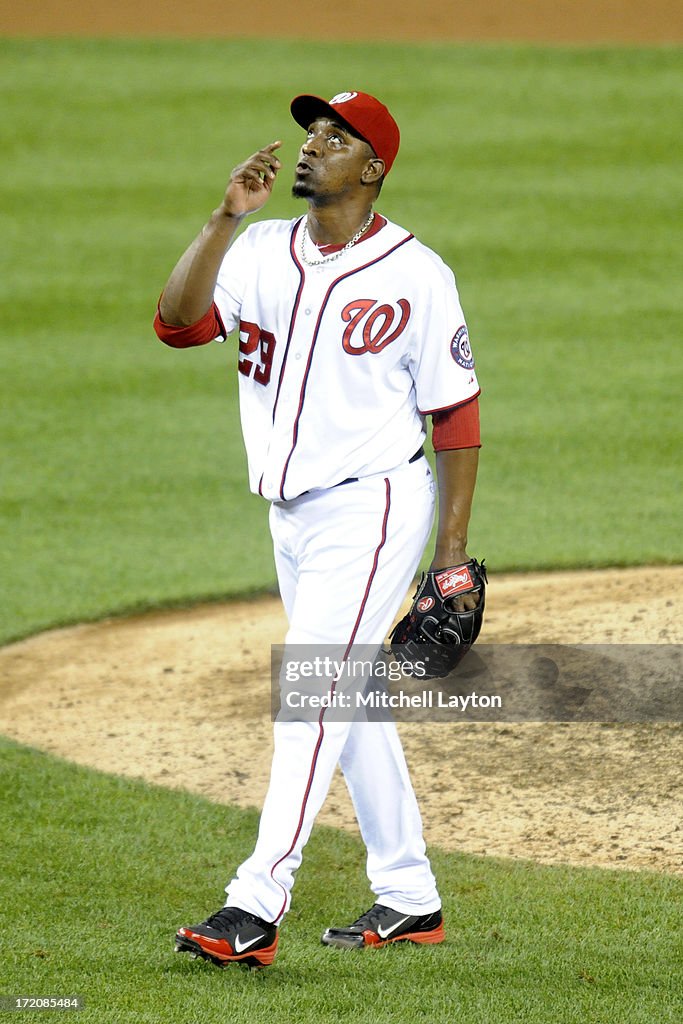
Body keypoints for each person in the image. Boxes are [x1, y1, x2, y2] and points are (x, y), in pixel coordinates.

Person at [154, 90, 481, 969]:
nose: (312, 148)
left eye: (336, 139)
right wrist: (223, 219)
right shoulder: (258, 249)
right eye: (311, 134)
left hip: (373, 506)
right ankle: (409, 895)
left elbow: (454, 415)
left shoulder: (417, 273)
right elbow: (177, 324)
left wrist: (447, 557)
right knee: (350, 696)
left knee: (308, 695)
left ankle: (254, 904)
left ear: (371, 168)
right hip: (290, 515)